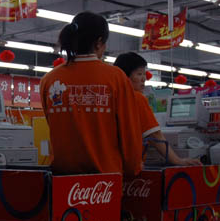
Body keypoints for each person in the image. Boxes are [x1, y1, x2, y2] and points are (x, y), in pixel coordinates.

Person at [40, 11, 143, 176]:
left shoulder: (49, 80)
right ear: (99, 43)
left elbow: (53, 125)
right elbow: (129, 132)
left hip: (62, 179)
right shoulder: (116, 78)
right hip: (106, 181)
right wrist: (133, 168)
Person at [113, 52, 202, 166]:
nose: (144, 79)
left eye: (144, 74)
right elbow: (155, 135)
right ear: (125, 76)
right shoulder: (137, 98)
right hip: (129, 166)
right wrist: (177, 160)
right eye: (139, 74)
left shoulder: (111, 96)